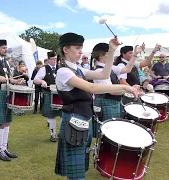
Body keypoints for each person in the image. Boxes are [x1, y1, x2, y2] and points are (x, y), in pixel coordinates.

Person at [54, 32, 138, 180]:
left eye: (81, 47)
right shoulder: (63, 71)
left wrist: (112, 50)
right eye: (77, 47)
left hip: (83, 120)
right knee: (76, 174)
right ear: (66, 49)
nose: (81, 51)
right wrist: (124, 88)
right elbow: (92, 88)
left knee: (80, 169)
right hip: (74, 121)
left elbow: (105, 75)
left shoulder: (79, 69)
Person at [92, 43, 143, 124]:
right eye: (110, 53)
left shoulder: (109, 67)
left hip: (112, 103)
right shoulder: (99, 71)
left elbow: (127, 69)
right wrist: (129, 89)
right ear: (101, 56)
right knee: (109, 132)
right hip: (106, 104)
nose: (113, 56)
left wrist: (135, 54)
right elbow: (112, 91)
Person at [34, 51, 62, 142]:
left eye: (55, 59)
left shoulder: (61, 68)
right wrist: (42, 82)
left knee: (63, 115)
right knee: (51, 116)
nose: (54, 60)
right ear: (48, 60)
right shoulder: (44, 69)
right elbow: (35, 79)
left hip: (61, 94)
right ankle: (53, 134)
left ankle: (61, 133)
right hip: (49, 94)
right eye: (52, 59)